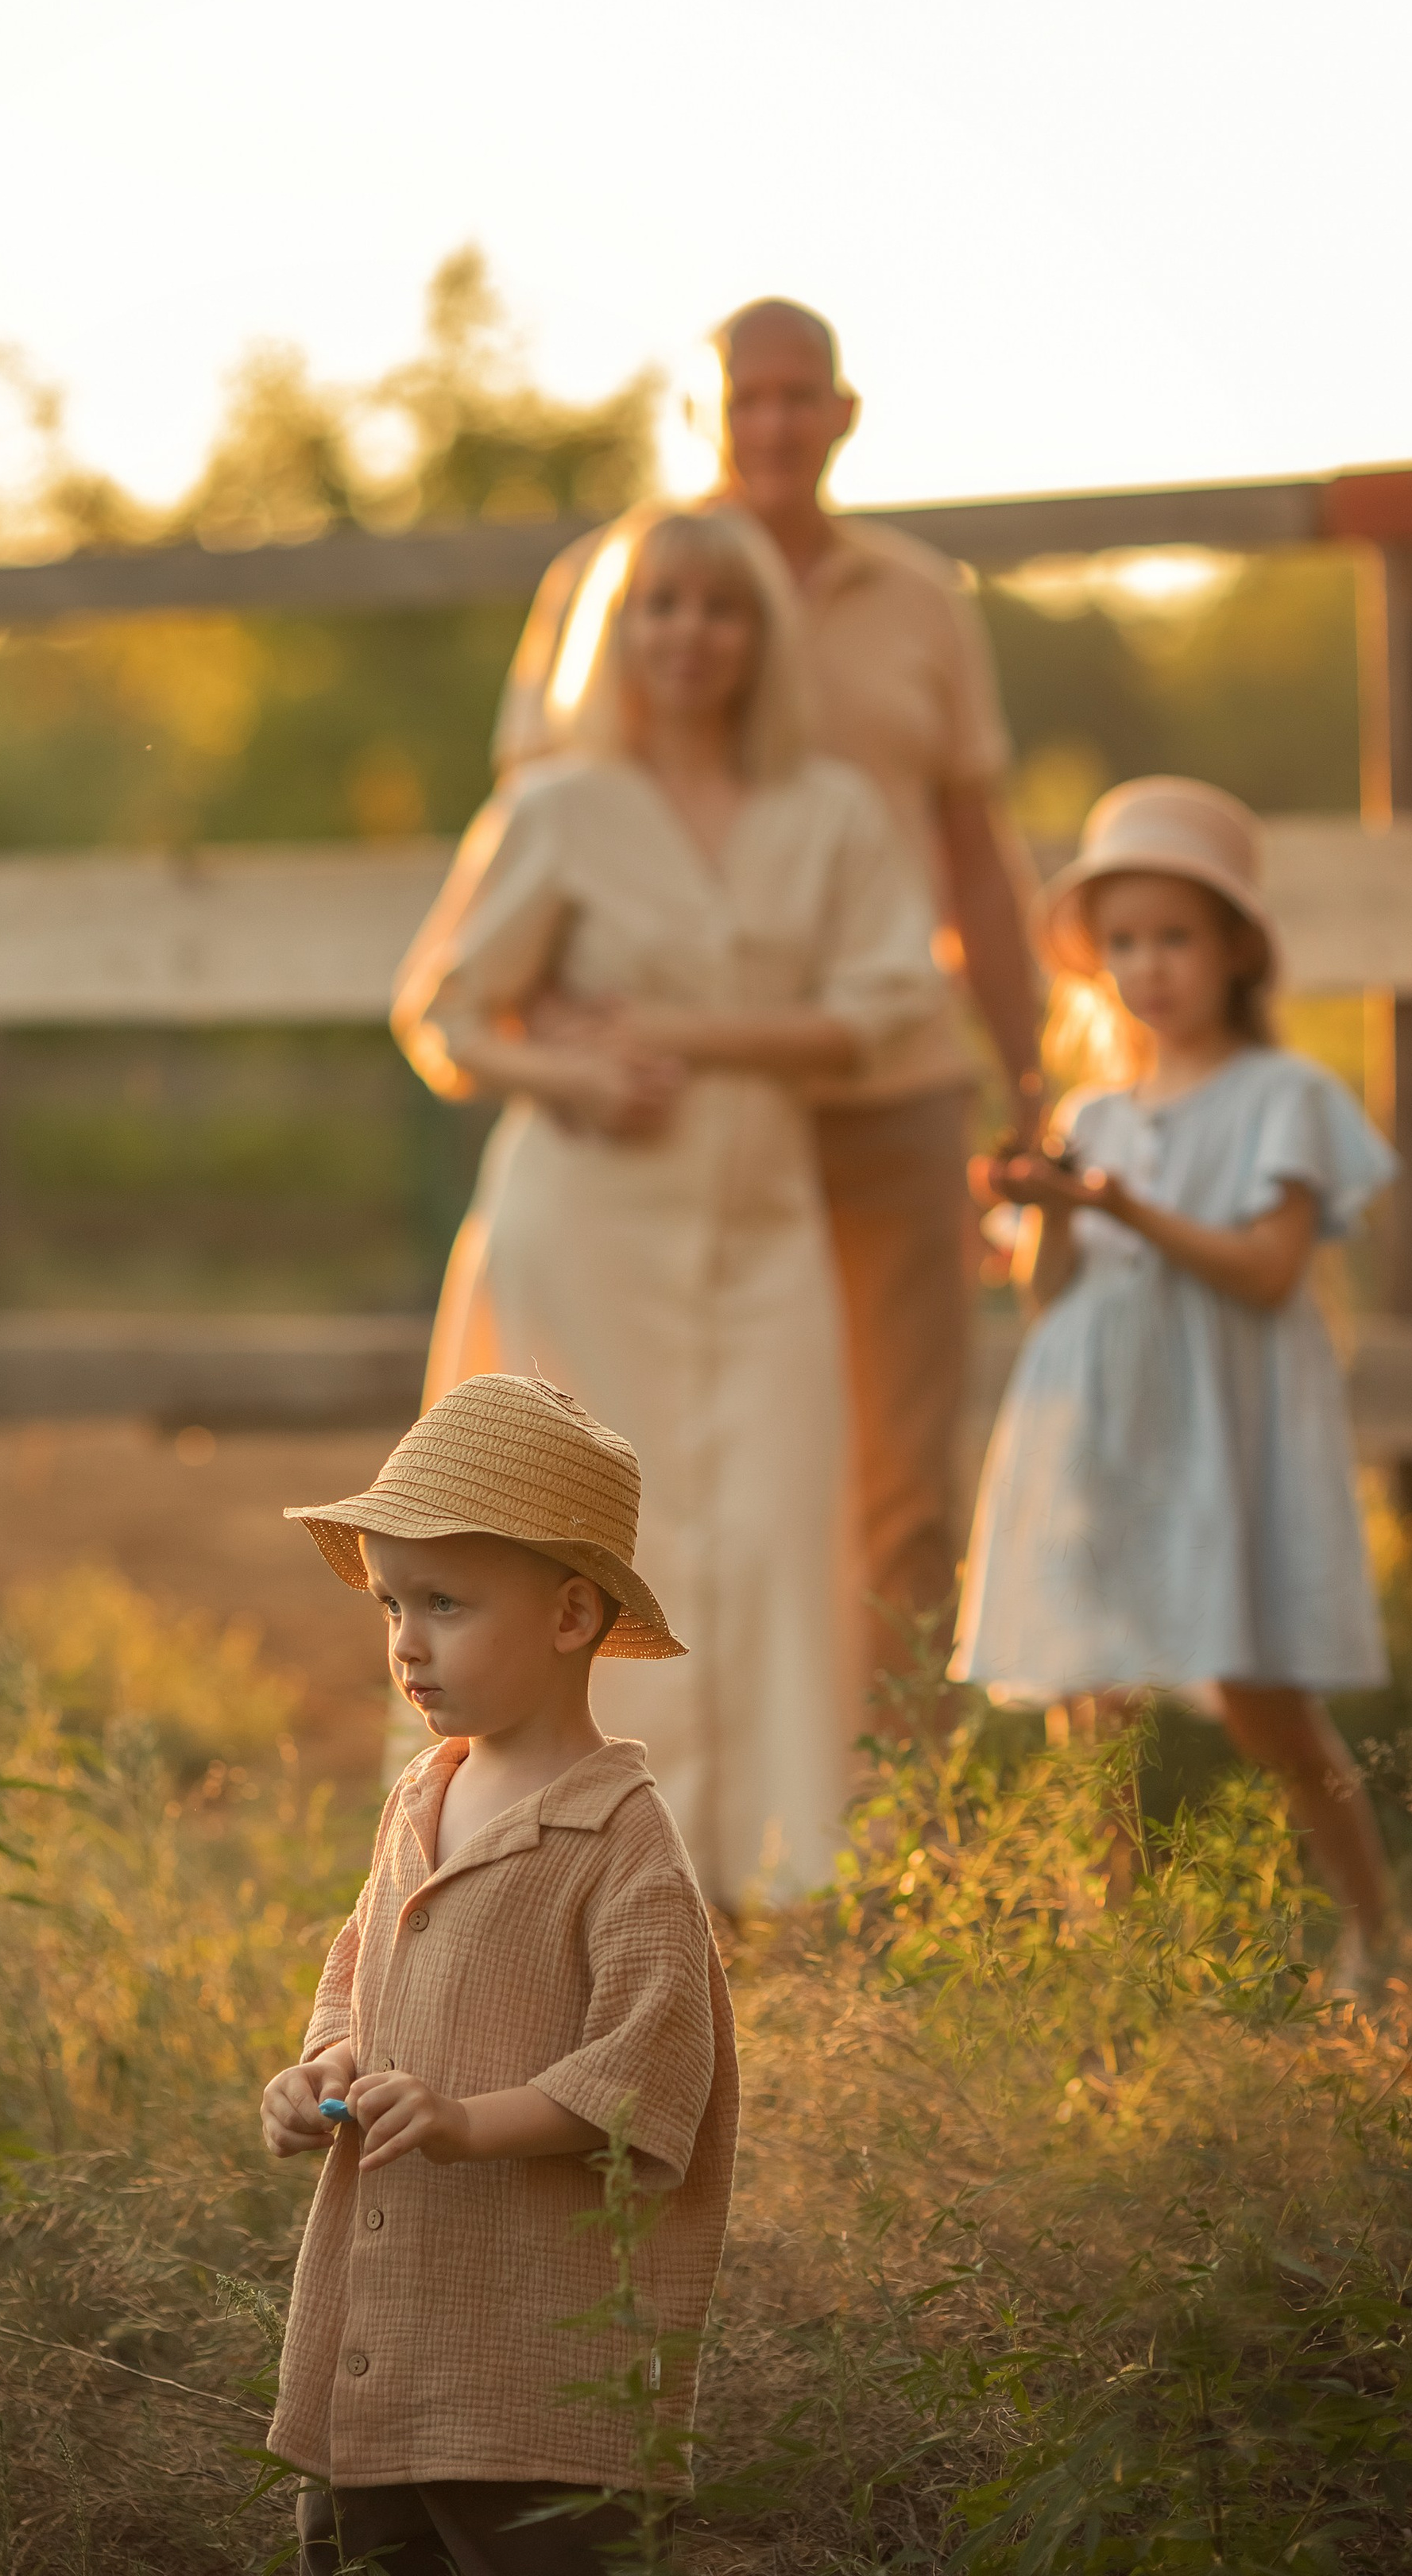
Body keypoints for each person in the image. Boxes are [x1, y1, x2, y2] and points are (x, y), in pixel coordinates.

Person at [393, 501, 941, 1901]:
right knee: (580, 1542)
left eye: (723, 608)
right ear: (618, 631)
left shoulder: (831, 811)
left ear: (764, 635)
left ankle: (763, 1875)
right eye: (663, 606)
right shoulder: (557, 809)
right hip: (585, 1227)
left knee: (770, 1532)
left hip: (764, 1231)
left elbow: (886, 1008)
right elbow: (444, 1016)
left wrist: (684, 1035)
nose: (692, 635)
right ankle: (554, 1862)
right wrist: (569, 1072)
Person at [493, 296, 1041, 1683]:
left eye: (802, 397)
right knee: (686, 1470)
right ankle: (674, 1771)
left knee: (900, 1475)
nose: (775, 424)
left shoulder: (920, 601)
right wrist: (558, 1040)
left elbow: (979, 855)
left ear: (845, 414)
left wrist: (1029, 1080)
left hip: (887, 1084)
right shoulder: (610, 580)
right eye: (748, 398)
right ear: (702, 415)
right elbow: (536, 835)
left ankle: (891, 1787)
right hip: (682, 1118)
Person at [265, 1371, 738, 2576]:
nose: (406, 1642)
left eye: (445, 1603)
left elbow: (650, 2072)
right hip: (384, 2329)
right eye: (390, 1604)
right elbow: (362, 1972)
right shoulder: (422, 1794)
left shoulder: (620, 1838)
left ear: (572, 1616)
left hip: (529, 2359)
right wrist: (324, 2071)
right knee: (363, 2549)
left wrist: (469, 2123)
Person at [951, 776, 1398, 1966]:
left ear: (1237, 946)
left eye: (1176, 938)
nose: (1148, 967)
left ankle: (1376, 1929)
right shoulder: (1094, 1115)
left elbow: (1268, 1272)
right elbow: (1049, 1291)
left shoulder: (1281, 1098)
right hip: (1098, 1425)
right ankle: (1109, 1944)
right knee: (1092, 1692)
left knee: (1261, 1695)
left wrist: (1127, 1209)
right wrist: (1050, 1207)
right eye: (1124, 943)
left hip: (1217, 1437)